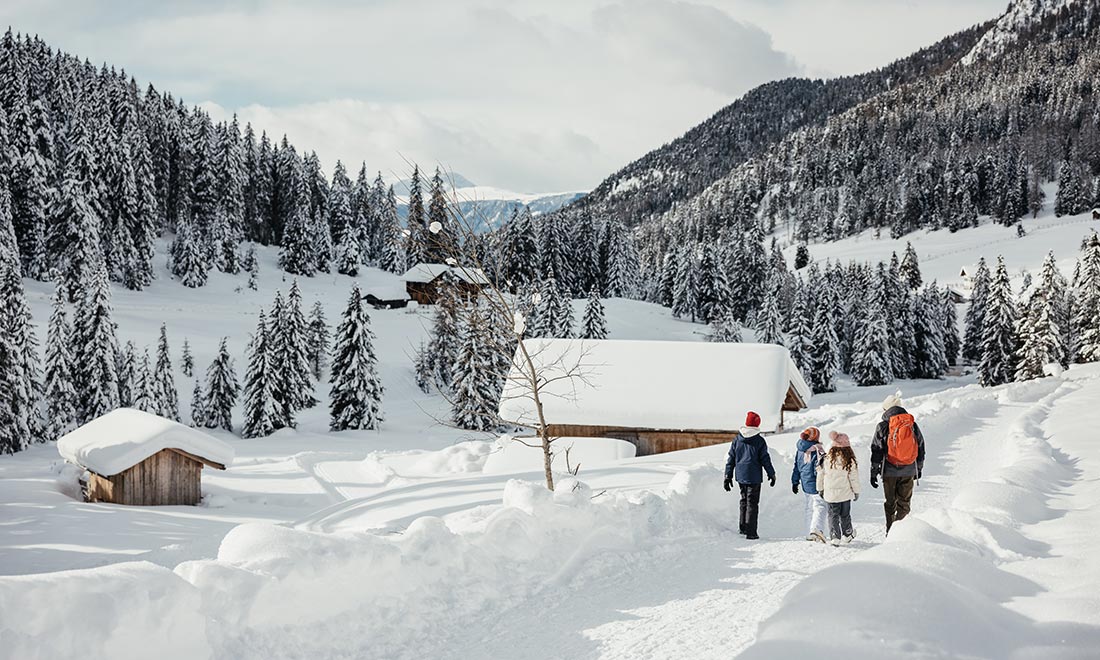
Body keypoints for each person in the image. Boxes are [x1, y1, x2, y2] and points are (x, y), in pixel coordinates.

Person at [869, 391, 926, 534]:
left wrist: (874, 471)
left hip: (889, 471)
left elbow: (877, 450)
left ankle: (890, 530)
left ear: (886, 409)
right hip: (908, 470)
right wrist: (918, 468)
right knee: (904, 504)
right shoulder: (912, 424)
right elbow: (920, 447)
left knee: (890, 503)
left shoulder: (882, 426)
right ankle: (900, 532)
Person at [723, 411, 776, 540]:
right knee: (752, 502)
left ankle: (743, 527)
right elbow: (765, 458)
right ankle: (751, 532)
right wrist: (771, 473)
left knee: (743, 500)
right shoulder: (759, 441)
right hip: (754, 476)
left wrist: (727, 476)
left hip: (741, 475)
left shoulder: (737, 439)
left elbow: (731, 458)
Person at [816, 431, 860, 545]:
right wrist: (856, 491)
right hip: (845, 493)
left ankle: (835, 536)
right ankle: (847, 534)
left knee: (833, 515)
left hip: (831, 494)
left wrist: (820, 488)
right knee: (845, 515)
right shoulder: (849, 460)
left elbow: (820, 474)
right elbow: (853, 477)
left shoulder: (826, 459)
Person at [791, 426, 827, 543]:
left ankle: (808, 533)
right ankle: (816, 529)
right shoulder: (818, 449)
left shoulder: (800, 449)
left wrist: (795, 481)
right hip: (816, 482)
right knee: (820, 506)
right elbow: (821, 467)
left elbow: (796, 466)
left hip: (805, 482)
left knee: (809, 508)